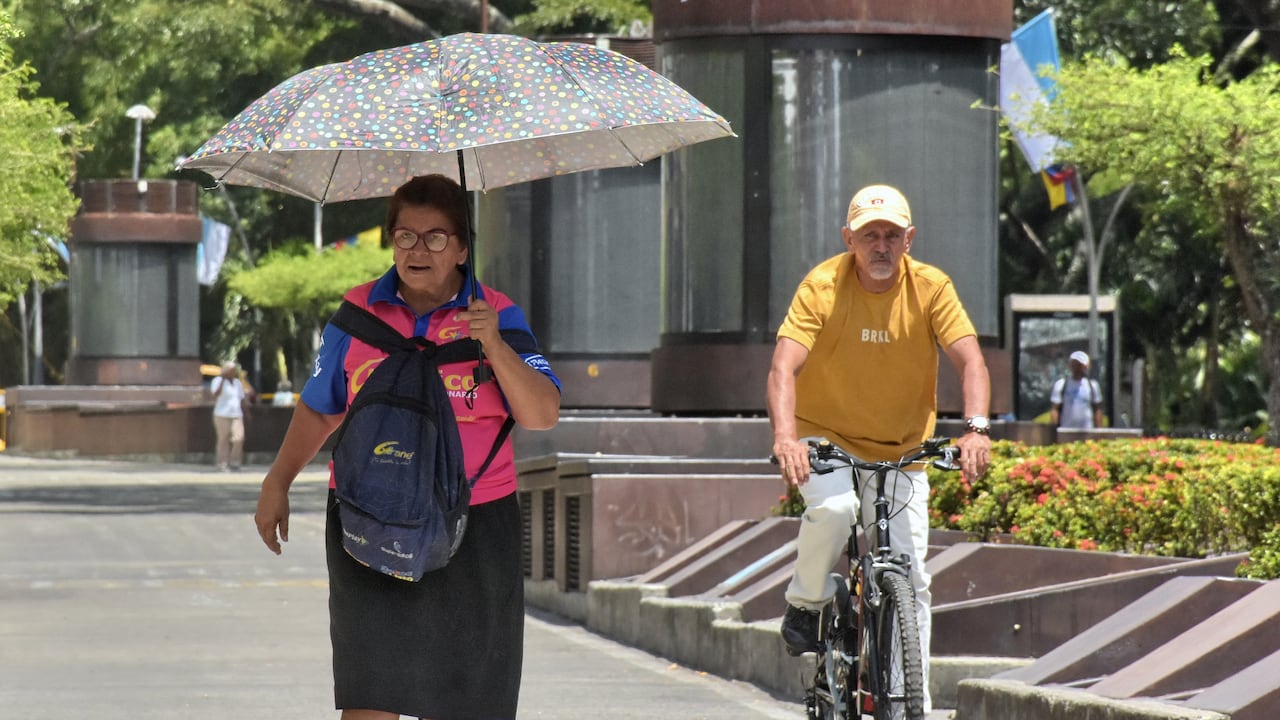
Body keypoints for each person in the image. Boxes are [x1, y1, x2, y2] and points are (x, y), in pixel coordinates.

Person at [253, 174, 562, 720]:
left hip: (474, 525)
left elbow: (540, 414)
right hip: (370, 520)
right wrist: (277, 481)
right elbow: (321, 406)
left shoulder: (498, 316)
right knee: (371, 696)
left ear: (464, 246)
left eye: (437, 237)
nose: (419, 250)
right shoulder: (356, 317)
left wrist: (491, 341)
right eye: (405, 236)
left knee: (471, 702)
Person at [766, 184, 991, 714]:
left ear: (909, 240)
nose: (882, 246)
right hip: (827, 439)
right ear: (850, 240)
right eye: (871, 236)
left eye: (893, 235)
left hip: (904, 451)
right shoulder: (822, 286)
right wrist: (785, 438)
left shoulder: (932, 288)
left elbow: (971, 361)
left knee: (911, 580)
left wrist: (976, 428)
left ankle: (909, 702)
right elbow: (783, 367)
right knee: (837, 508)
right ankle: (805, 603)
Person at [209, 361, 248, 471]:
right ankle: (222, 463)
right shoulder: (217, 381)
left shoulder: (237, 383)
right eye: (230, 370)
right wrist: (222, 379)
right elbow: (215, 394)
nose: (232, 372)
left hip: (236, 414)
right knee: (223, 439)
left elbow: (241, 398)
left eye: (233, 370)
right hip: (221, 414)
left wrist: (247, 411)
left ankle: (235, 462)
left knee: (239, 438)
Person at [1050, 350, 1103, 429]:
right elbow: (1055, 409)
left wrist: (1099, 430)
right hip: (1066, 429)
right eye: (1074, 364)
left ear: (1086, 366)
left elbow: (1097, 409)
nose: (1077, 368)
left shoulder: (1092, 385)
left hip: (1087, 430)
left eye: (1080, 365)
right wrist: (1054, 430)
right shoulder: (1061, 384)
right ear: (1070, 366)